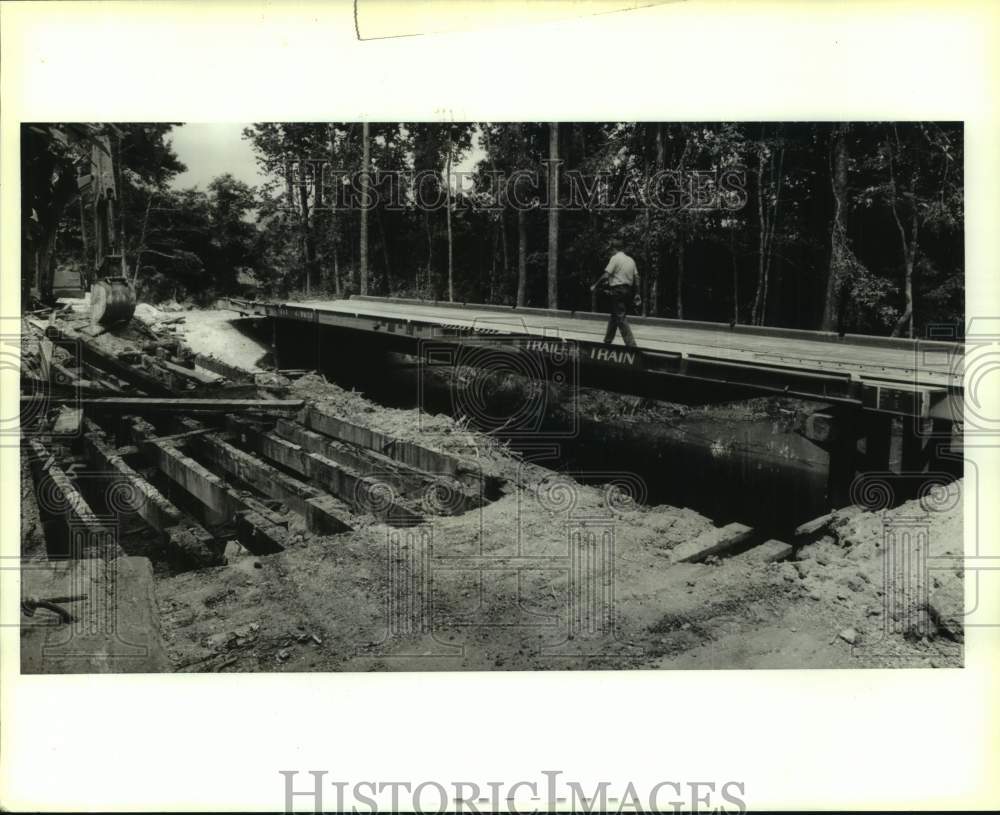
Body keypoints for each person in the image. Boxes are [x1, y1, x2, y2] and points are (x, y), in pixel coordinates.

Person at [591, 240, 641, 346]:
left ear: (614, 249)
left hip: (617, 290)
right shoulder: (631, 260)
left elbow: (606, 275)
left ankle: (631, 345)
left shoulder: (615, 258)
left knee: (620, 317)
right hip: (628, 291)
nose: (610, 252)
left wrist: (595, 285)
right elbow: (637, 277)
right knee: (615, 315)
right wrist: (637, 293)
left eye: (610, 250)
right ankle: (607, 341)